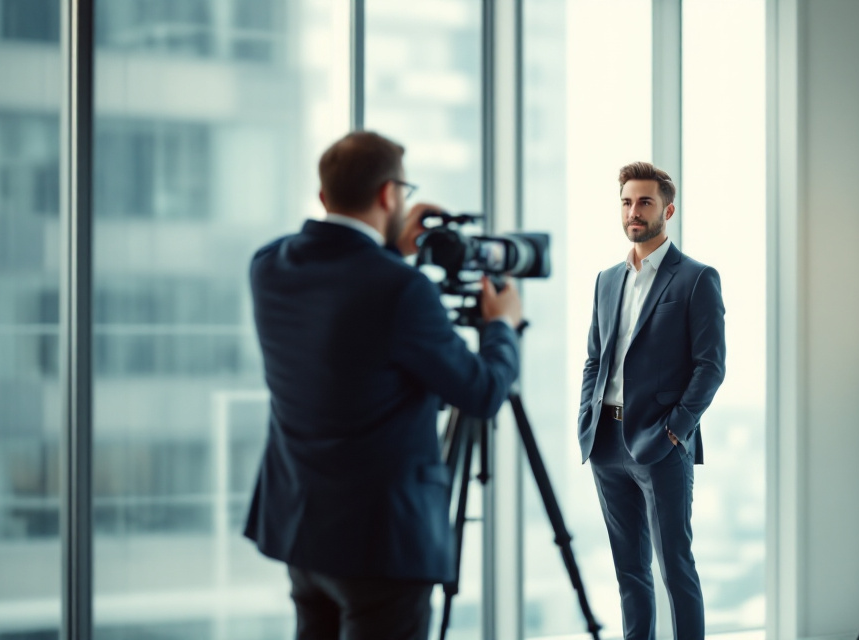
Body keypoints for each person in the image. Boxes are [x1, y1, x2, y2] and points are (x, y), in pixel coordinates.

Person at [243, 130, 523, 640]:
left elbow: (355, 330)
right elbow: (482, 393)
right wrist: (501, 327)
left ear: (325, 197)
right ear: (390, 195)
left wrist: (391, 251)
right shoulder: (401, 288)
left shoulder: (269, 265)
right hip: (382, 545)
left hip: (303, 531)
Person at [578, 161, 726, 640]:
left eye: (644, 202)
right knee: (629, 571)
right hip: (606, 442)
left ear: (668, 209)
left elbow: (711, 366)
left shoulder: (696, 278)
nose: (633, 212)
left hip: (660, 443)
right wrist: (586, 415)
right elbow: (595, 358)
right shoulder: (605, 280)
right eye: (626, 202)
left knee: (676, 569)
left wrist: (674, 430)